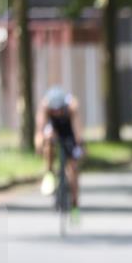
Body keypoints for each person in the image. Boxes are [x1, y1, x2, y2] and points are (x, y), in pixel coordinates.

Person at [35, 86, 84, 218]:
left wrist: (79, 146)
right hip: (54, 129)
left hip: (69, 130)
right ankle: (49, 172)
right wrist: (40, 142)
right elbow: (40, 129)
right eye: (53, 110)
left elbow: (77, 130)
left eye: (59, 110)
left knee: (73, 169)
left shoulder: (72, 106)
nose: (56, 113)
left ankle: (74, 204)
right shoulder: (45, 106)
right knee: (48, 141)